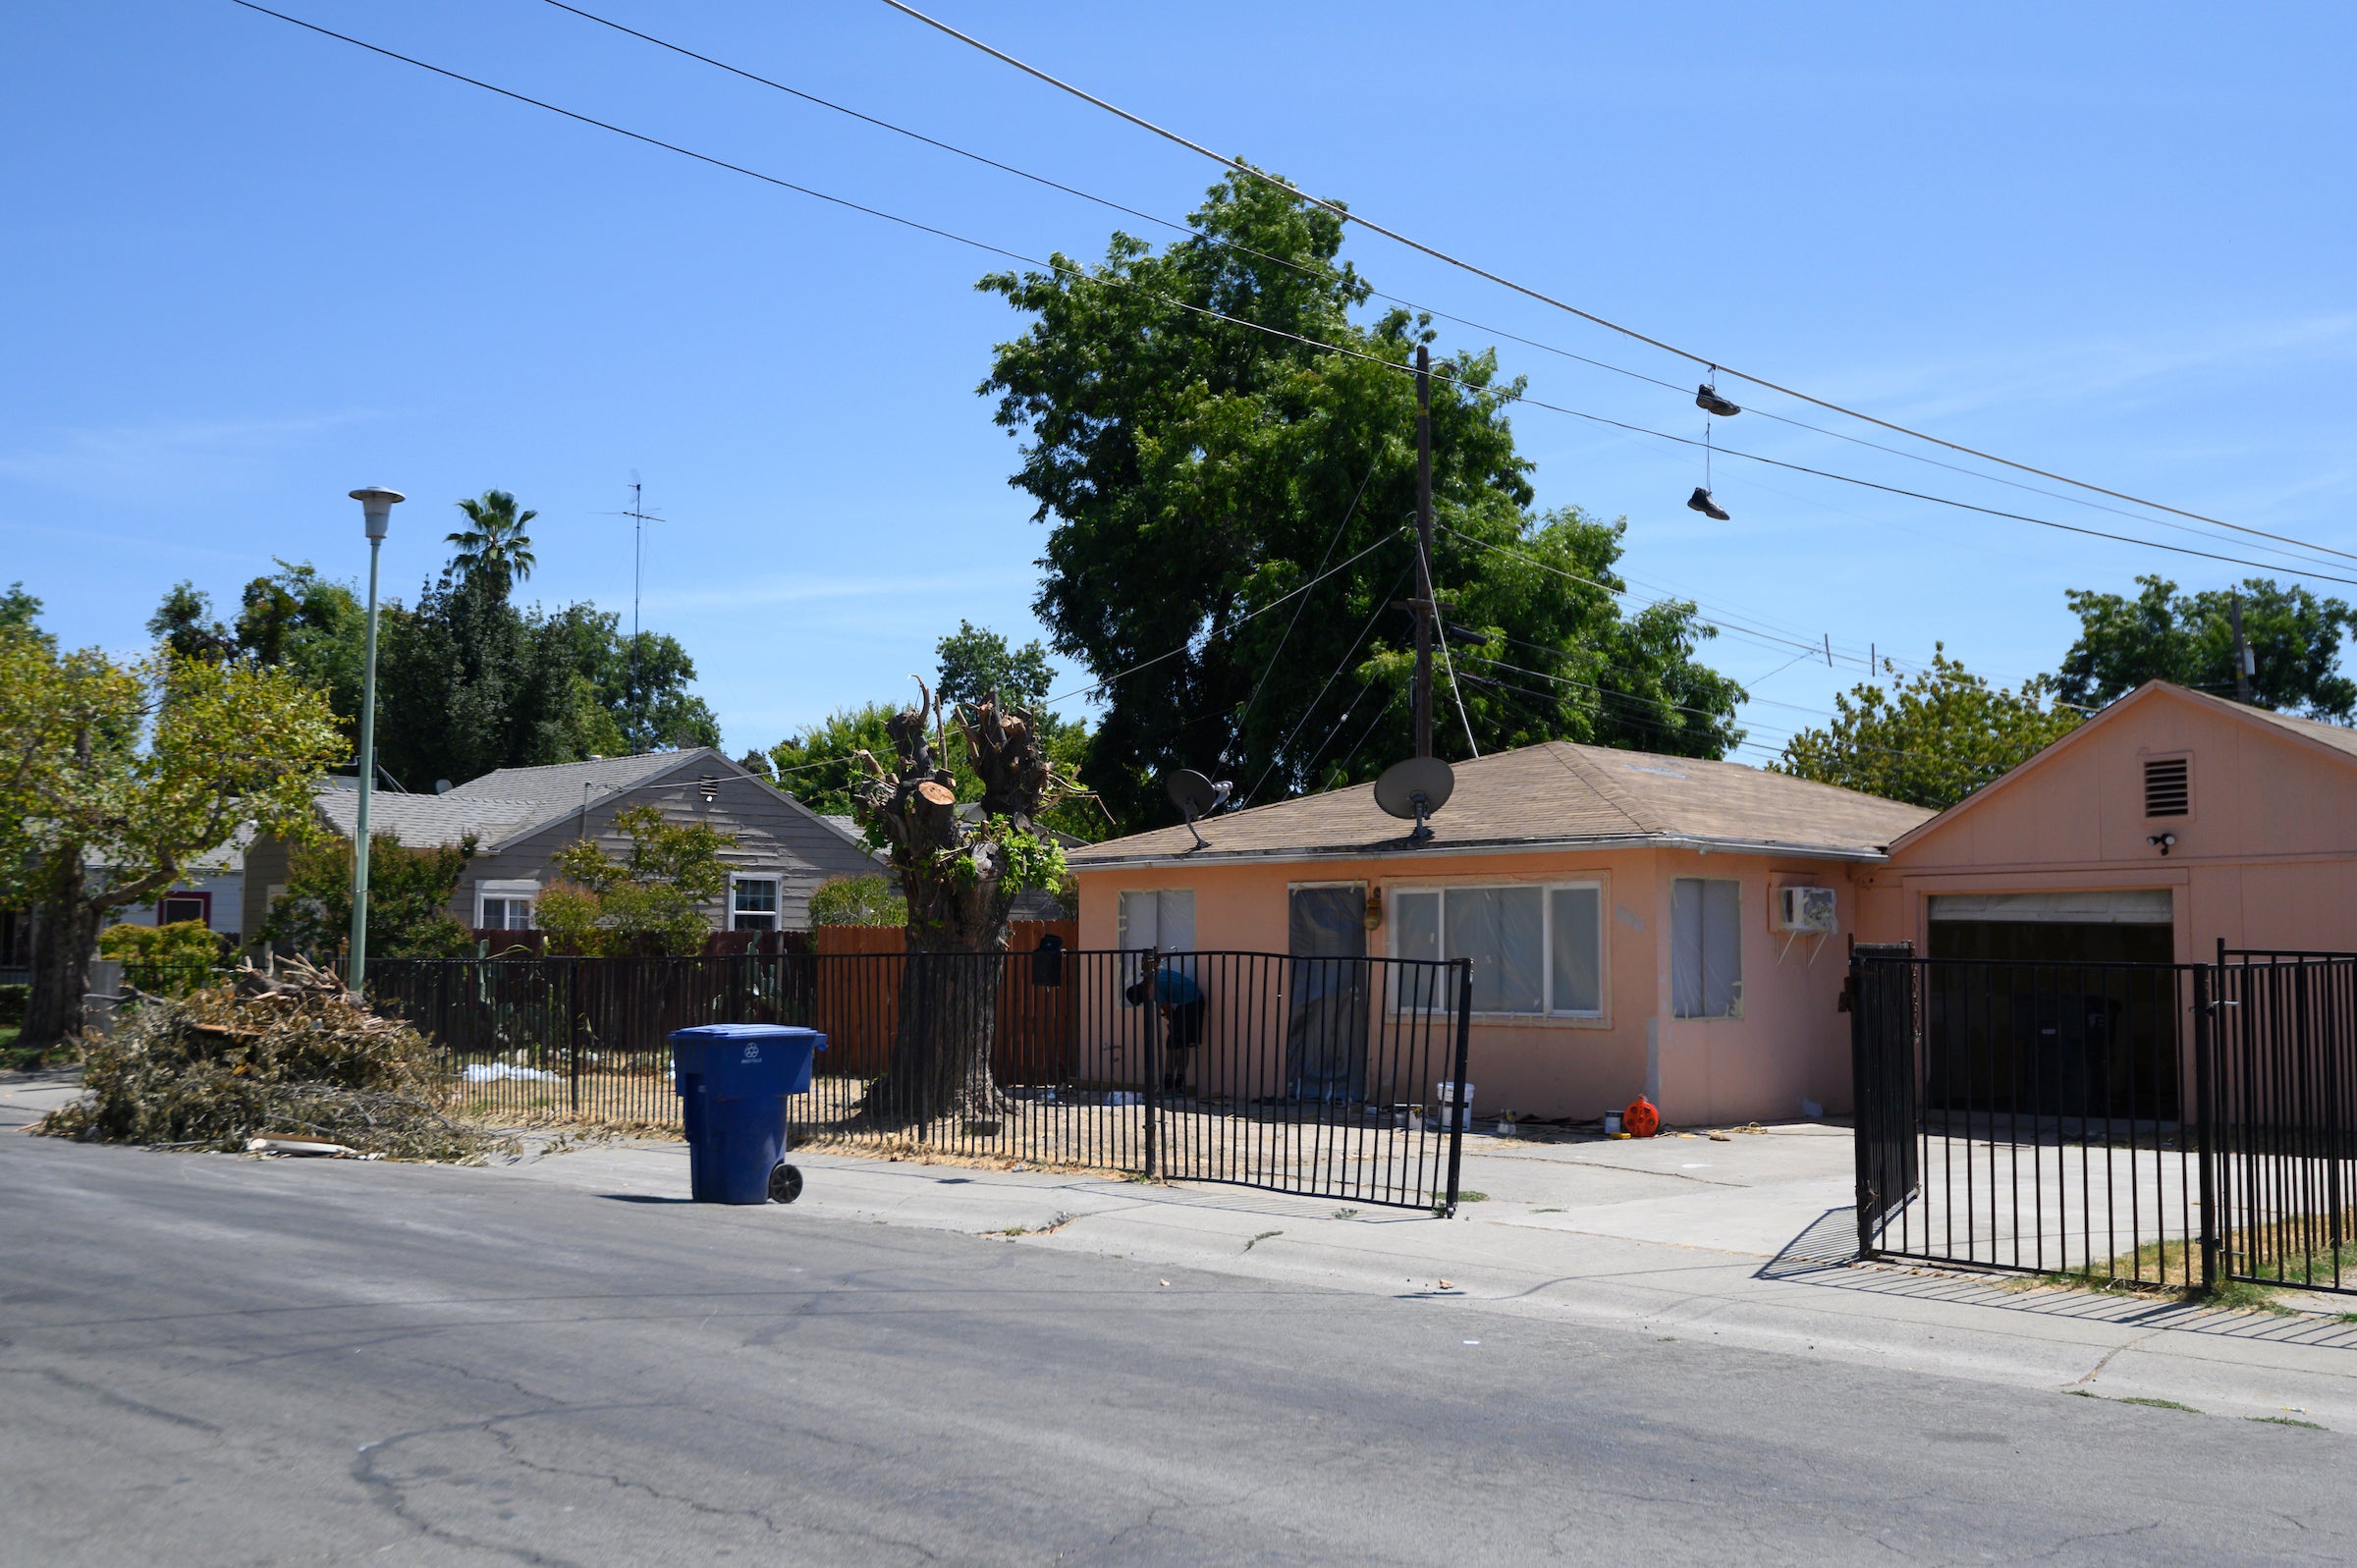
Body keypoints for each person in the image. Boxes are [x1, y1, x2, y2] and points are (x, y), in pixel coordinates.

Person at [1124, 964, 1205, 1094]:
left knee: (1180, 1043)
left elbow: (1167, 1009)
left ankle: (1176, 1084)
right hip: (1188, 1001)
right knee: (1175, 1043)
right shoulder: (1152, 976)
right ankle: (1170, 1083)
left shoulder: (1153, 989)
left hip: (1191, 1002)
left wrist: (1172, 1022)